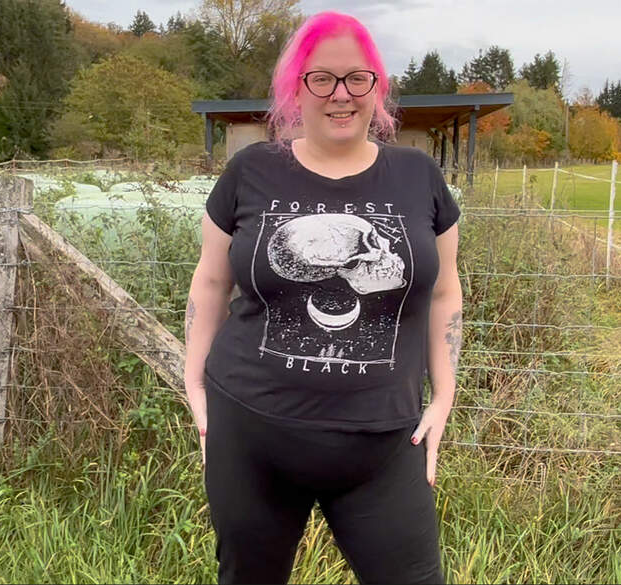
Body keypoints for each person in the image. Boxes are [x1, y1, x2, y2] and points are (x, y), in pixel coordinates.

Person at [183, 10, 462, 584]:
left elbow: (445, 291)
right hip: (252, 438)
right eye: (322, 78)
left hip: (383, 448)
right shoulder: (250, 170)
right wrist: (193, 383)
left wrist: (444, 396)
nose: (341, 93)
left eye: (357, 78)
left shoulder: (419, 176)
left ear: (376, 87)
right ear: (296, 87)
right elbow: (210, 280)